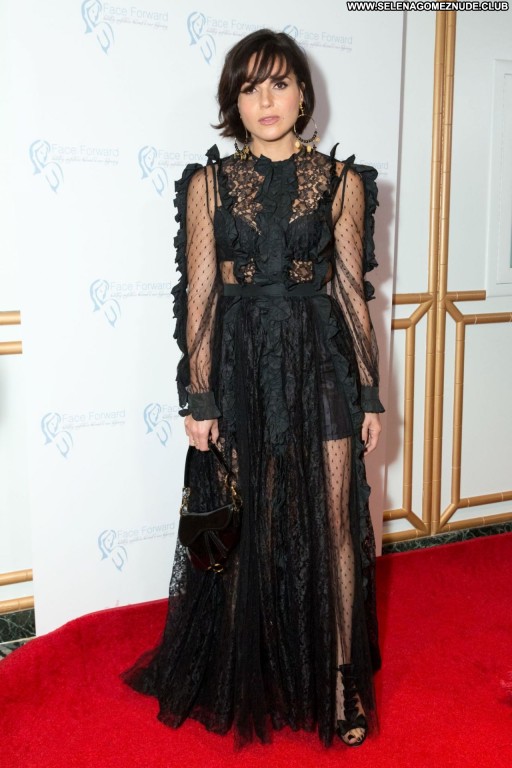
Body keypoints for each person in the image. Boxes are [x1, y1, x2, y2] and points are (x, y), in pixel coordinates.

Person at [123, 28, 384, 750]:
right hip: (239, 361)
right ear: (232, 102)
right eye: (249, 87)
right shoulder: (208, 183)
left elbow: (349, 292)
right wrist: (200, 395)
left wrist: (367, 391)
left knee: (337, 522)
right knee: (245, 527)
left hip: (320, 360)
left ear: (303, 94)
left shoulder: (342, 182)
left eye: (279, 83)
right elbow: (201, 293)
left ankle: (341, 678)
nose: (265, 100)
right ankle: (249, 674)